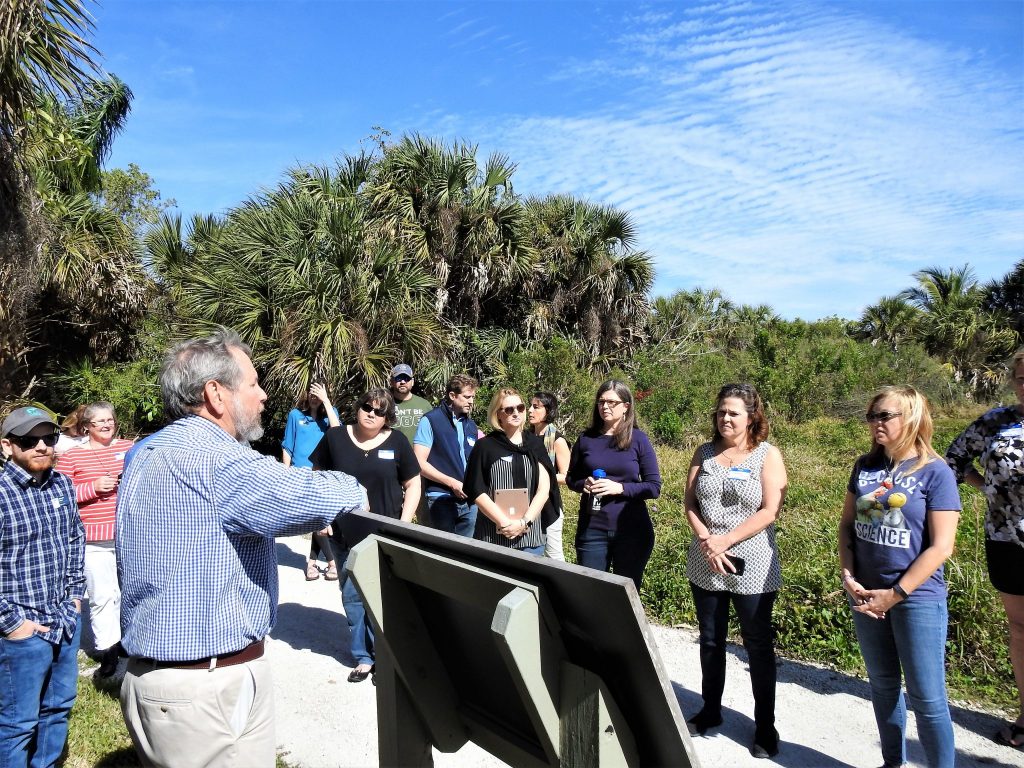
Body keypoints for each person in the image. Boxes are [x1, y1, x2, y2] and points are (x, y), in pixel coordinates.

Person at [116, 327, 368, 768]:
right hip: (205, 691)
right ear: (216, 393)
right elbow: (319, 496)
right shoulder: (216, 460)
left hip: (164, 683)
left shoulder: (148, 451)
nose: (264, 395)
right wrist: (354, 486)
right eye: (253, 383)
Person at [839, 385, 961, 768]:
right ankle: (893, 763)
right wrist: (848, 572)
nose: (875, 423)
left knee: (927, 699)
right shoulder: (865, 466)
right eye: (871, 416)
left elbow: (942, 547)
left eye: (884, 415)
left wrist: (896, 593)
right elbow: (847, 527)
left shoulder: (935, 471)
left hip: (916, 598)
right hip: (865, 594)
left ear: (911, 417)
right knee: (883, 686)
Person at [683, 384, 787, 758]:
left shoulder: (766, 455)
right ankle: (711, 710)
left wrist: (726, 540)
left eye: (734, 413)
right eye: (721, 412)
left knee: (757, 645)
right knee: (710, 640)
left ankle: (765, 726)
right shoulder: (705, 452)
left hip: (754, 562)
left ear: (751, 417)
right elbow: (690, 502)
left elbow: (769, 510)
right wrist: (708, 539)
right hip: (706, 558)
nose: (725, 418)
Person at [311, 388, 421, 683]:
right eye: (366, 407)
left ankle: (385, 655)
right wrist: (320, 516)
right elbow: (317, 477)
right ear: (357, 408)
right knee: (352, 595)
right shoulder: (335, 438)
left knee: (384, 596)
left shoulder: (397, 442)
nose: (371, 413)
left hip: (384, 535)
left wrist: (403, 523)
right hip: (343, 531)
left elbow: (413, 484)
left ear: (388, 417)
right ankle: (363, 656)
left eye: (379, 410)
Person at [946, 347, 1024, 749]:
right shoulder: (998, 420)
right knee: (1019, 629)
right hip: (1006, 540)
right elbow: (956, 459)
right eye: (1022, 378)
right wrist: (990, 490)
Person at [0, 406, 85, 768]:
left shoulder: (62, 484)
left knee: (58, 709)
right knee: (17, 724)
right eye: (28, 440)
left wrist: (76, 598)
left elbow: (75, 541)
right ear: (8, 446)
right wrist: (11, 623)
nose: (40, 446)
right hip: (21, 631)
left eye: (47, 438)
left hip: (64, 620)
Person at [55, 401, 134, 678]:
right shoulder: (71, 457)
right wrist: (91, 488)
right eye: (99, 421)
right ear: (86, 426)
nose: (106, 424)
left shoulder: (129, 449)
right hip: (93, 540)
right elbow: (59, 496)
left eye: (110, 419)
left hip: (130, 537)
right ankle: (108, 654)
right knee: (103, 597)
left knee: (130, 595)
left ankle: (132, 646)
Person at [567, 380, 662, 590]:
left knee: (625, 596)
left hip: (631, 531)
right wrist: (584, 483)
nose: (605, 407)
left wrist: (621, 488)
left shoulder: (638, 439)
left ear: (626, 406)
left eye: (612, 402)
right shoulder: (586, 439)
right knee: (591, 592)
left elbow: (654, 486)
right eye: (601, 402)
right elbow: (571, 478)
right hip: (592, 529)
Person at [464, 388, 559, 557]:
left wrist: (524, 522)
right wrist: (504, 523)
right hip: (492, 536)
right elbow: (476, 489)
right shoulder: (485, 446)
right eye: (509, 409)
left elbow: (544, 489)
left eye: (520, 408)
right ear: (497, 414)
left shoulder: (535, 444)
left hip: (530, 537)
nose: (516, 413)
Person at [282, 383, 341, 581]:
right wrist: (285, 473)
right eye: (311, 392)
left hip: (323, 473)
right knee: (317, 518)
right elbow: (288, 445)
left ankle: (312, 563)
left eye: (318, 392)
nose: (314, 396)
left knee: (320, 518)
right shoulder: (295, 415)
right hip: (301, 474)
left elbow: (338, 433)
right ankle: (332, 563)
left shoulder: (329, 415)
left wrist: (326, 401)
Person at [413, 374, 480, 536]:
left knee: (466, 553)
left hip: (469, 502)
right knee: (443, 554)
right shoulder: (430, 420)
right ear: (452, 395)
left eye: (473, 397)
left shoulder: (471, 426)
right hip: (440, 499)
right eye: (466, 397)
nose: (471, 401)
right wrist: (451, 483)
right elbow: (419, 463)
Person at [527, 391, 570, 561]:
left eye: (535, 407)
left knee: (554, 557)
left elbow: (566, 477)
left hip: (550, 506)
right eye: (530, 406)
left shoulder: (557, 440)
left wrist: (541, 477)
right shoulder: (525, 438)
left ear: (548, 410)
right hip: (527, 504)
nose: (530, 410)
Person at [390, 363, 432, 444]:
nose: (402, 382)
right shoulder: (385, 404)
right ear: (392, 382)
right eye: (398, 378)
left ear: (412, 382)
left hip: (419, 455)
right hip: (392, 454)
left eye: (406, 378)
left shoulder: (424, 405)